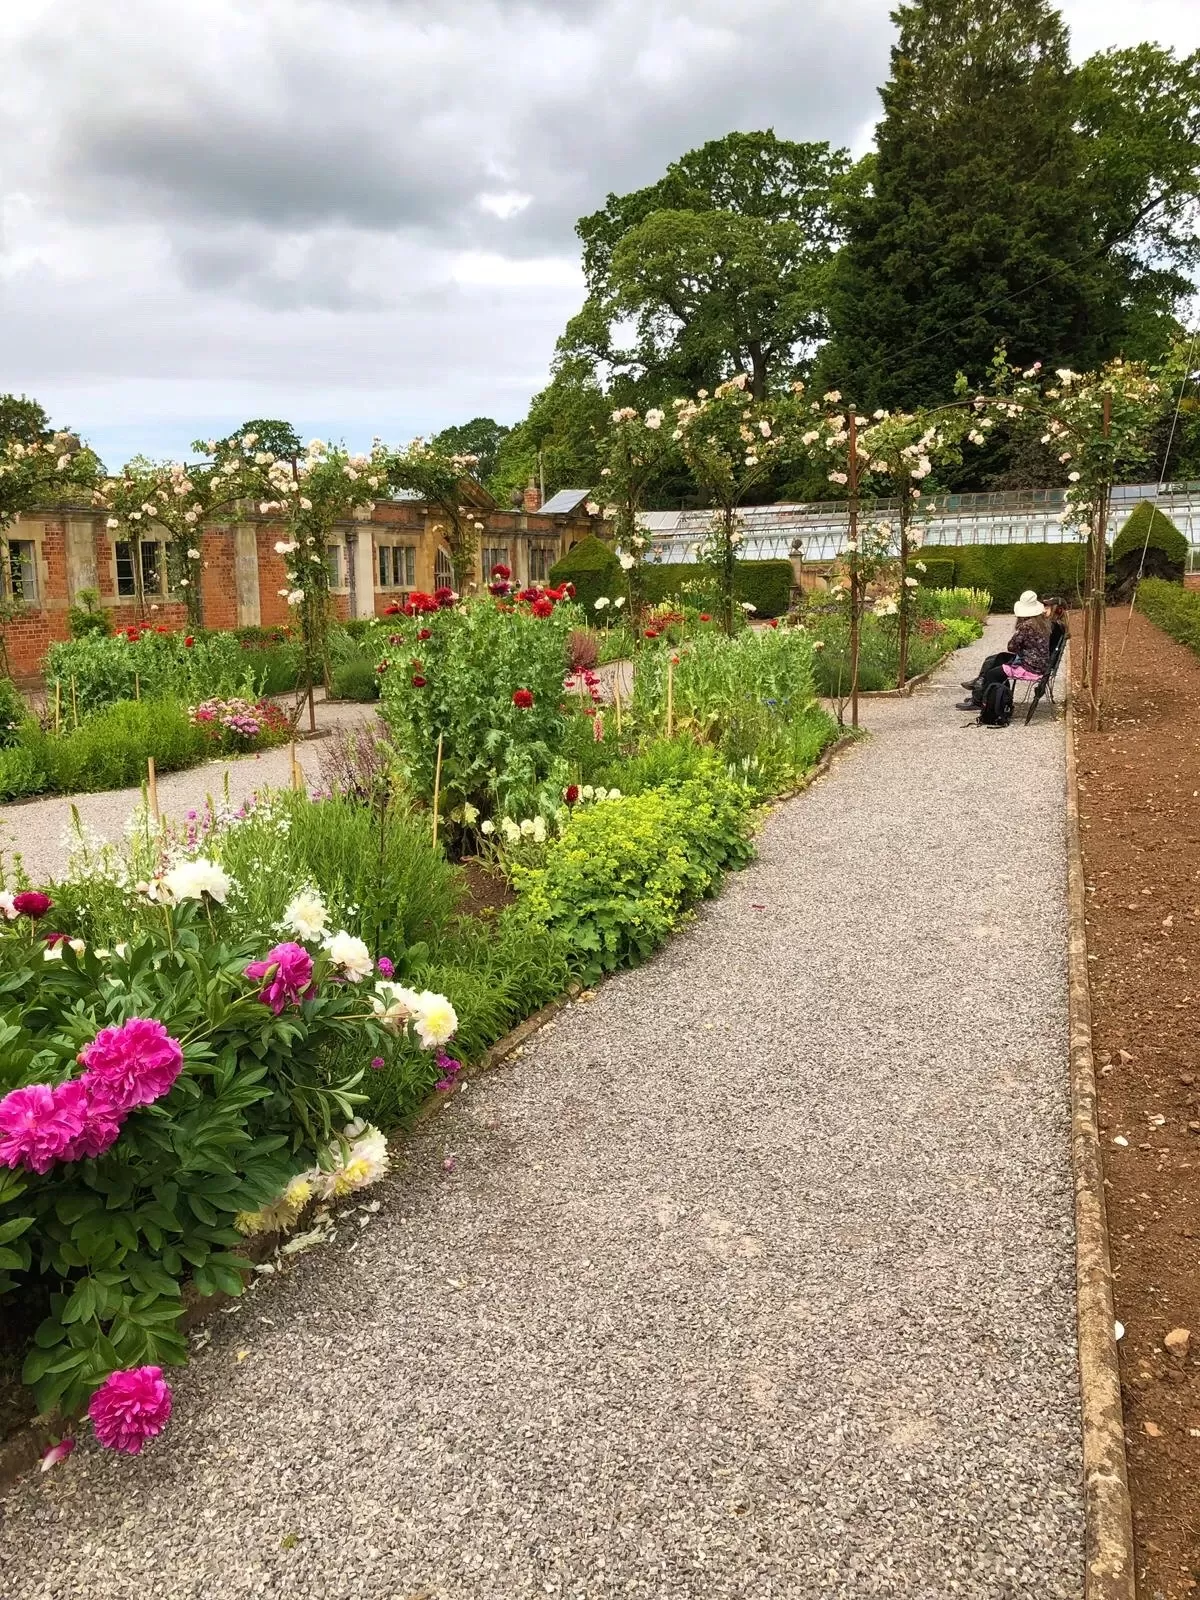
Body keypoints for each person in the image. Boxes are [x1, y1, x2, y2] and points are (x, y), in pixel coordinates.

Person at [956, 590, 1053, 711]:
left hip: (1031, 666)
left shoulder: (1027, 625)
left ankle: (980, 699)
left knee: (992, 674)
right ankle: (979, 689)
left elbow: (1011, 647)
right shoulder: (1043, 623)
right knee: (995, 659)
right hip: (1040, 663)